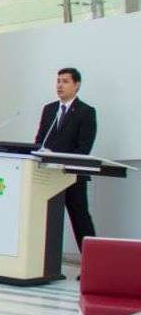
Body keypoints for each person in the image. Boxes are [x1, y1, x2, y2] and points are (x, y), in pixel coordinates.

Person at [34, 67, 98, 251]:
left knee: (80, 219)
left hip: (72, 176)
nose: (59, 85)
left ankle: (92, 260)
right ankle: (42, 260)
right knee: (44, 218)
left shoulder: (86, 112)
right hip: (48, 175)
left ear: (76, 85)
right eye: (58, 81)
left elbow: (84, 148)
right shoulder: (49, 109)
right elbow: (39, 141)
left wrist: (60, 161)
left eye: (65, 81)